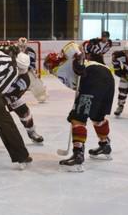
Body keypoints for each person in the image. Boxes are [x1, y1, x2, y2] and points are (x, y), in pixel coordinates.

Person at [44, 42, 115, 172]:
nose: (50, 70)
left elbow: (73, 48)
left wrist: (78, 60)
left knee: (78, 117)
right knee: (97, 116)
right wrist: (78, 63)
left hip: (93, 76)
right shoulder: (63, 70)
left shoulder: (62, 66)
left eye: (49, 66)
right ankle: (105, 145)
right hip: (107, 76)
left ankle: (78, 155)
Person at [0, 51, 44, 144]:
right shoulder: (5, 65)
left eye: (22, 68)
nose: (19, 70)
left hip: (7, 96)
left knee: (24, 110)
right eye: (18, 67)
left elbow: (13, 97)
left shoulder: (25, 81)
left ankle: (31, 132)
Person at [16, 37, 48, 102]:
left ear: (27, 45)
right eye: (20, 46)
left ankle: (40, 94)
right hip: (16, 70)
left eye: (24, 46)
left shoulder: (30, 51)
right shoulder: (14, 49)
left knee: (34, 81)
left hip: (27, 69)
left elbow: (32, 63)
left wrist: (32, 70)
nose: (22, 48)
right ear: (17, 44)